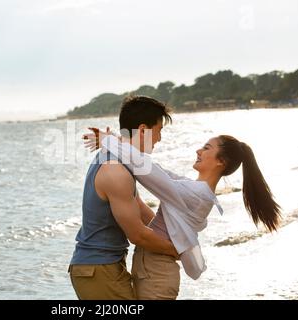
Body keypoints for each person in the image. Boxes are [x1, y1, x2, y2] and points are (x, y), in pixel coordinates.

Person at [83, 128, 282, 300]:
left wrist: (109, 141)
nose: (198, 150)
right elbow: (159, 171)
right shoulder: (194, 189)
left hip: (158, 273)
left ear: (221, 161)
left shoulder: (196, 194)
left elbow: (149, 172)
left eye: (206, 148)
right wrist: (117, 140)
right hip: (153, 269)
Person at [68, 96, 179, 300]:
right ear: (144, 130)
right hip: (97, 270)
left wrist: (170, 232)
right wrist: (175, 250)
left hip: (104, 265)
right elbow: (137, 235)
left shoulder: (120, 159)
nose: (159, 139)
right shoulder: (116, 171)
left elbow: (137, 205)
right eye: (159, 131)